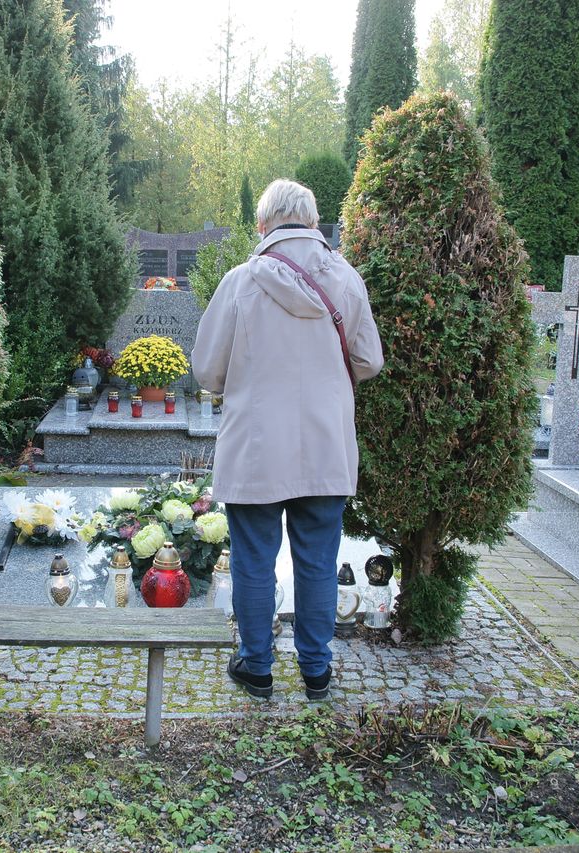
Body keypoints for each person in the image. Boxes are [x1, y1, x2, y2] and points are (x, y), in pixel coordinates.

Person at [191, 179, 383, 701]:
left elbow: (207, 371)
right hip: (325, 445)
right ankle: (317, 672)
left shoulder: (239, 283)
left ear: (263, 225)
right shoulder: (347, 279)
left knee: (254, 558)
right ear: (314, 223)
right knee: (318, 560)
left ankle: (257, 668)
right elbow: (370, 361)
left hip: (255, 447)